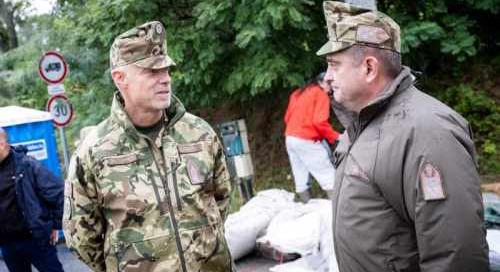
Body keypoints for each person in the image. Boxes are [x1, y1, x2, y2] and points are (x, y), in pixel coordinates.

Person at [317, 1, 489, 271]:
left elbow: (456, 254)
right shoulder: (361, 126)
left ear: (369, 68)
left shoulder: (429, 133)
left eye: (334, 65)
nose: (327, 77)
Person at [63, 21, 233, 272]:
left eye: (166, 71)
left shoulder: (198, 133)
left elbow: (221, 200)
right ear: (120, 78)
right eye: (152, 72)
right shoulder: (95, 151)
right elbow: (81, 238)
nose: (164, 80)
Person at [0, 127, 64, 272]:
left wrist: (56, 224)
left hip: (36, 239)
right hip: (8, 244)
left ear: (2, 144)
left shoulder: (28, 165)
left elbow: (59, 192)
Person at [284, 72, 340, 202]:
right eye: (329, 83)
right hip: (306, 139)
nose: (331, 87)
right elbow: (319, 122)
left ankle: (308, 210)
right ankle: (338, 211)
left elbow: (287, 118)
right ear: (320, 83)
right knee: (328, 176)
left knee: (300, 177)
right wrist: (336, 136)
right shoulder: (320, 94)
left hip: (290, 138)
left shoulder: (297, 93)